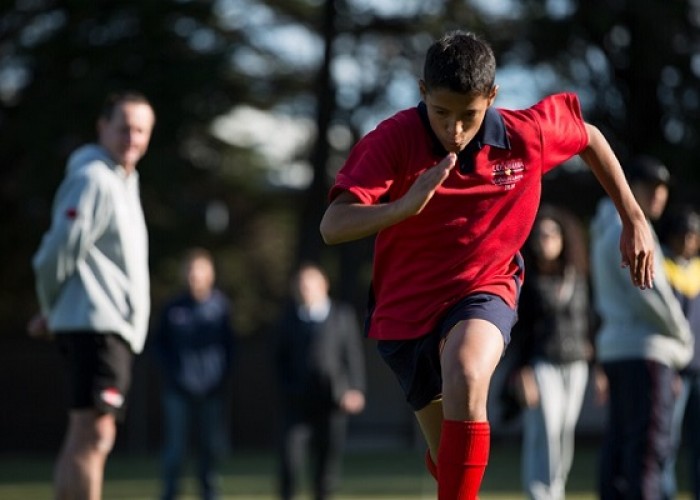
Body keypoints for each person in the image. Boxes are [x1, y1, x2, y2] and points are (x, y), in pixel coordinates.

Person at [319, 30, 657, 500]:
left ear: (492, 97)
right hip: (404, 314)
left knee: (466, 371)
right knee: (450, 462)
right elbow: (332, 225)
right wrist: (401, 208)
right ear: (422, 93)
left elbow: (590, 137)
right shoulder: (393, 139)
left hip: (484, 288)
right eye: (441, 113)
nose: (455, 130)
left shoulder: (526, 136)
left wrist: (633, 216)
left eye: (469, 116)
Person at [27, 91, 155, 500]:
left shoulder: (122, 181)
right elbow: (57, 251)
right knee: (94, 434)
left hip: (101, 327)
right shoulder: (94, 179)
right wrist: (50, 307)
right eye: (124, 127)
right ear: (103, 127)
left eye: (141, 130)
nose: (132, 138)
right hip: (97, 327)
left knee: (87, 433)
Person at [590, 155, 693, 499]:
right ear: (628, 186)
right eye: (651, 187)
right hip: (645, 354)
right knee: (648, 451)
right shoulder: (628, 228)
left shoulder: (605, 224)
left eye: (663, 189)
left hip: (620, 352)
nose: (659, 196)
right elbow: (651, 297)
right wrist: (684, 342)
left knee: (620, 449)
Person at [510, 205, 593, 500]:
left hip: (576, 365)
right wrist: (521, 372)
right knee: (545, 430)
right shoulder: (525, 283)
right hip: (540, 364)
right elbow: (519, 333)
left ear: (563, 238)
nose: (545, 239)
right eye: (540, 235)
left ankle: (555, 490)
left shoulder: (578, 277)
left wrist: (599, 369)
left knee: (563, 434)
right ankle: (541, 493)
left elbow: (589, 322)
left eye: (551, 234)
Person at [273, 263, 366, 500]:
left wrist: (355, 389)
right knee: (290, 462)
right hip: (297, 403)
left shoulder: (341, 315)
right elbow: (277, 359)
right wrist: (286, 388)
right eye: (301, 285)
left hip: (332, 403)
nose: (305, 290)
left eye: (310, 284)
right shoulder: (288, 318)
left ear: (324, 286)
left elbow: (353, 355)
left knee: (326, 466)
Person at [152, 248, 236, 500]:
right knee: (175, 450)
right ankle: (169, 493)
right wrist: (174, 374)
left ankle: (209, 494)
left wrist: (220, 378)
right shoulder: (173, 308)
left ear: (210, 274)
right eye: (190, 271)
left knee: (210, 449)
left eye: (199, 271)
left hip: (211, 391)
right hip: (178, 391)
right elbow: (159, 346)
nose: (194, 276)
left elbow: (230, 348)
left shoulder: (220, 308)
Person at [659, 207, 700, 499]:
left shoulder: (697, 271)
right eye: (683, 233)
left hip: (698, 369)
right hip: (673, 369)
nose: (688, 240)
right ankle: (665, 492)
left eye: (693, 234)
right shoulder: (663, 268)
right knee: (667, 441)